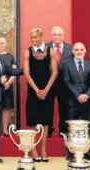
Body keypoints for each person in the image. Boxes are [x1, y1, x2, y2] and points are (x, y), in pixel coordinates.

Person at [23, 28, 58, 162]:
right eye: (31, 38)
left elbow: (54, 72)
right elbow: (26, 73)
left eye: (35, 37)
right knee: (32, 119)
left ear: (41, 37)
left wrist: (46, 90)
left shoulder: (50, 51)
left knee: (46, 120)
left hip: (48, 89)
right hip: (33, 90)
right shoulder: (27, 51)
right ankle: (33, 150)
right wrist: (37, 90)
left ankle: (43, 149)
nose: (33, 40)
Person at [63, 42, 90, 161]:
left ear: (85, 51)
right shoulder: (67, 65)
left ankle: (88, 152)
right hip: (72, 100)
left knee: (88, 127)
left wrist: (87, 95)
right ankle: (71, 153)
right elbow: (67, 82)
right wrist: (78, 95)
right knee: (71, 127)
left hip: (86, 101)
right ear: (73, 51)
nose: (79, 52)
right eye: (76, 50)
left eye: (81, 50)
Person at [46, 26, 73, 138]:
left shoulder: (70, 48)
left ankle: (63, 130)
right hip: (48, 82)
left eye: (59, 34)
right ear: (51, 35)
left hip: (64, 82)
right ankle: (48, 129)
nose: (57, 37)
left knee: (64, 107)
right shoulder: (45, 48)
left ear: (63, 35)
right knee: (47, 106)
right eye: (55, 34)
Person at [0, 37, 16, 136]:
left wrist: (8, 82)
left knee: (6, 108)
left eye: (3, 43)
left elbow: (14, 72)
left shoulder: (10, 57)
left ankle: (5, 129)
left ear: (6, 44)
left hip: (8, 85)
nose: (1, 45)